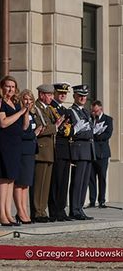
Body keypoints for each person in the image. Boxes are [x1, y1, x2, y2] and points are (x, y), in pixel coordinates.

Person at [0, 75, 27, 226]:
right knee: (3, 178)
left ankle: (8, 212)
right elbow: (4, 123)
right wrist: (19, 113)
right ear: (2, 87)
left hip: (16, 144)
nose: (11, 89)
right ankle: (1, 214)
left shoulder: (15, 103)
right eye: (8, 86)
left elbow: (24, 126)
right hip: (4, 144)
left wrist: (26, 112)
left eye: (13, 87)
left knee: (11, 178)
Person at [30, 84, 60, 223]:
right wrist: (56, 127)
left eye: (52, 95)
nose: (51, 97)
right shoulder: (36, 108)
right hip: (41, 150)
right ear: (41, 94)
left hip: (48, 151)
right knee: (39, 184)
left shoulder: (48, 109)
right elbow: (39, 127)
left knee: (45, 185)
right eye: (49, 95)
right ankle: (37, 211)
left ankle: (42, 210)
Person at [13, 89, 40, 225]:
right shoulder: (20, 113)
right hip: (22, 151)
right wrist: (34, 134)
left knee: (26, 184)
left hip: (30, 151)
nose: (28, 102)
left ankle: (24, 210)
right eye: (25, 99)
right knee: (19, 183)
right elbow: (23, 132)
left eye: (30, 100)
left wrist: (35, 133)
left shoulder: (32, 114)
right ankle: (20, 211)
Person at [68, 85, 95, 220]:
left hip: (88, 149)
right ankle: (74, 209)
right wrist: (85, 132)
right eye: (80, 96)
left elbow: (90, 130)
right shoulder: (71, 112)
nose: (83, 98)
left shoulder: (85, 112)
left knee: (84, 182)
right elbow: (75, 132)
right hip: (79, 149)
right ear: (74, 96)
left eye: (84, 96)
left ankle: (79, 208)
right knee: (77, 181)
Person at [48, 82, 73, 221]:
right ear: (55, 93)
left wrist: (69, 130)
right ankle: (54, 210)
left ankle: (61, 209)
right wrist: (65, 130)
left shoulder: (65, 110)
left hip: (66, 149)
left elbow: (72, 128)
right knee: (55, 181)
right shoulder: (52, 108)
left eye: (65, 93)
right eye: (60, 93)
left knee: (64, 181)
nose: (63, 95)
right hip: (57, 148)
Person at [88, 100, 112, 208]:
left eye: (96, 111)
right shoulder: (89, 119)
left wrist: (95, 135)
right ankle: (92, 201)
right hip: (91, 152)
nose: (94, 113)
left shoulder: (108, 119)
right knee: (91, 177)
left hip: (102, 153)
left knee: (102, 177)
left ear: (101, 109)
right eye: (92, 111)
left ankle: (102, 200)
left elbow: (107, 135)